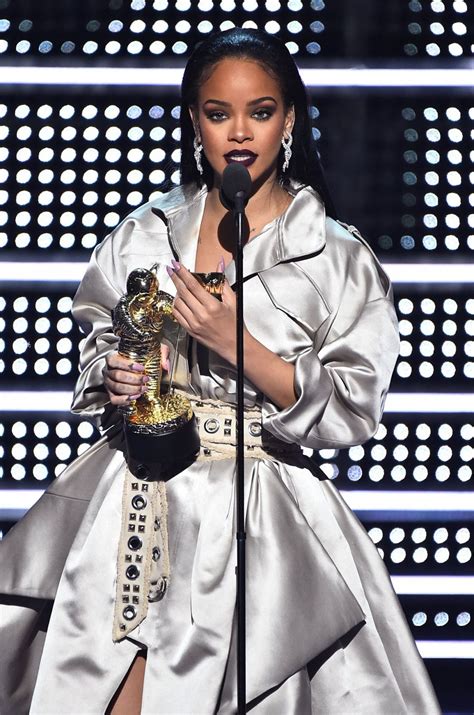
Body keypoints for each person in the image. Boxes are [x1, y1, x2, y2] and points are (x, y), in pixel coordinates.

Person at [0, 27, 440, 715]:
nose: (240, 133)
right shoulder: (146, 232)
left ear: (289, 118)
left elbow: (355, 408)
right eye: (218, 113)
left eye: (260, 112)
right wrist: (114, 375)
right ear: (193, 119)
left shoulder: (335, 256)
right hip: (139, 497)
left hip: (264, 519)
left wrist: (242, 346)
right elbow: (97, 342)